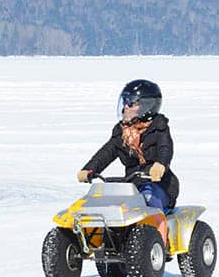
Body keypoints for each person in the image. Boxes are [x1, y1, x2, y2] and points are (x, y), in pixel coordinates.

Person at [77, 79, 179, 211]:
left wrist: (160, 164)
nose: (125, 107)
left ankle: (157, 224)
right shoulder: (122, 132)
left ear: (146, 107)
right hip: (131, 185)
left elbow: (165, 148)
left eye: (131, 103)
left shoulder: (159, 128)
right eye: (125, 101)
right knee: (109, 203)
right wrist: (89, 169)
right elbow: (107, 152)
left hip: (158, 184)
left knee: (148, 199)